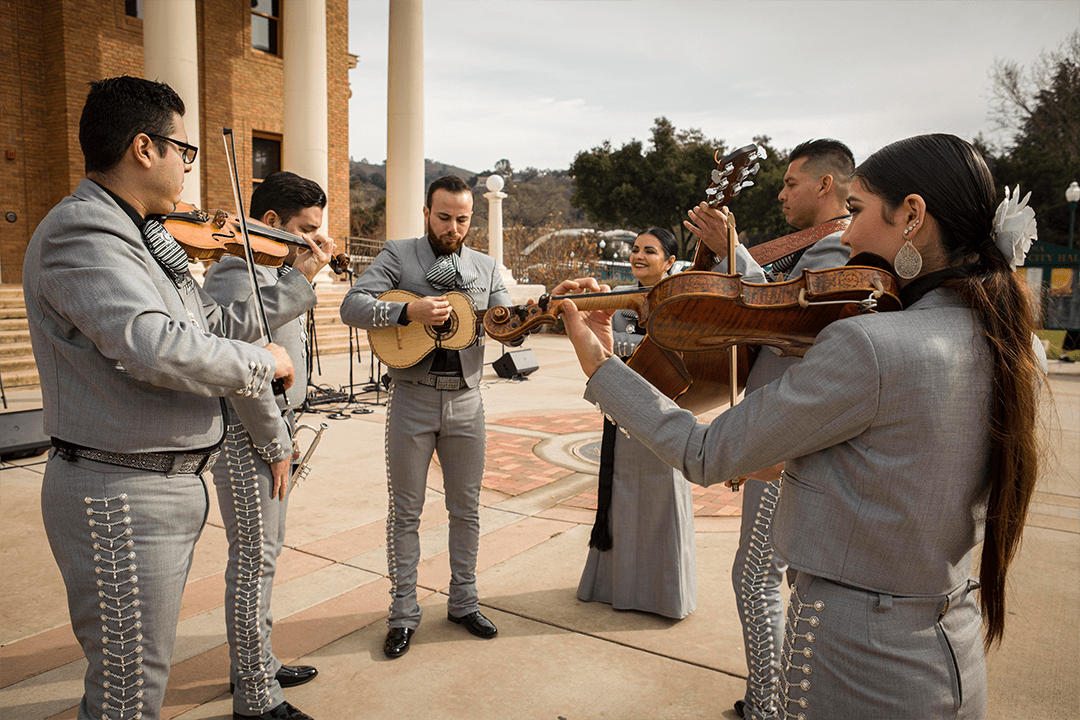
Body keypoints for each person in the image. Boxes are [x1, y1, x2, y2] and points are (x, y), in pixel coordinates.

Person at [560, 133, 1044, 719]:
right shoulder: (1016, 345)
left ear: (912, 216)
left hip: (856, 659)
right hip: (952, 647)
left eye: (859, 210)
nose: (846, 234)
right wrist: (796, 458)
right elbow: (904, 463)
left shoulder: (871, 345)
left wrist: (599, 363)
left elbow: (703, 451)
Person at [23, 76, 333, 720]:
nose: (189, 165)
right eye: (184, 151)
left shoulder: (142, 235)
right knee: (128, 697)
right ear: (145, 147)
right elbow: (151, 344)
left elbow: (209, 330)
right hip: (119, 488)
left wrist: (289, 291)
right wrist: (262, 360)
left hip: (160, 483)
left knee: (142, 681)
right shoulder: (83, 232)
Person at [685, 139, 855, 720]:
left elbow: (798, 320)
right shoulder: (811, 246)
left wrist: (736, 253)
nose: (780, 194)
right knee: (767, 573)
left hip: (790, 438)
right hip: (785, 433)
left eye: (789, 183)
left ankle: (768, 707)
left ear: (826, 185)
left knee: (756, 574)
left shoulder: (837, 248)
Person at [339, 175, 512, 658]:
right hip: (412, 398)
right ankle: (402, 614)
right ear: (426, 212)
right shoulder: (398, 254)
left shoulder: (487, 266)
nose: (453, 228)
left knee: (468, 508)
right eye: (444, 217)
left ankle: (464, 602)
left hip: (467, 401)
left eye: (462, 219)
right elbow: (353, 305)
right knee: (407, 512)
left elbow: (508, 326)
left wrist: (531, 317)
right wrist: (406, 311)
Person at [202, 171, 334, 718]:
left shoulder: (267, 273)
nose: (314, 244)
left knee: (265, 558)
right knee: (254, 560)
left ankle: (255, 660)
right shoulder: (236, 274)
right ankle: (255, 696)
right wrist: (277, 442)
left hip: (272, 429)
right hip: (250, 435)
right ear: (272, 224)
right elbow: (243, 372)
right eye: (306, 231)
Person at [577, 227, 697, 619]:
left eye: (650, 250)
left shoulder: (681, 307)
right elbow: (606, 359)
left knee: (661, 501)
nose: (638, 256)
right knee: (623, 498)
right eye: (635, 249)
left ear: (670, 262)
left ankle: (662, 594)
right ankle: (617, 587)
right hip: (623, 417)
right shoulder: (618, 307)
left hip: (665, 417)